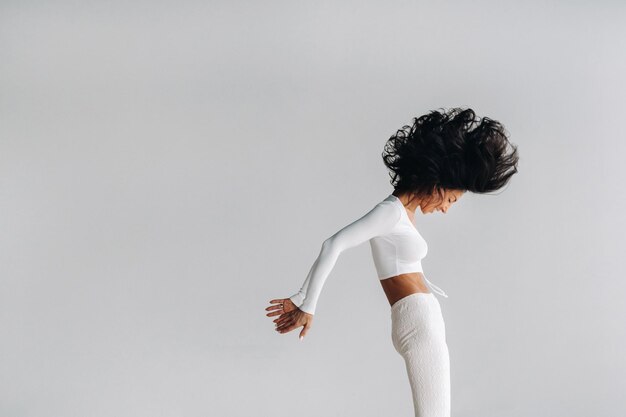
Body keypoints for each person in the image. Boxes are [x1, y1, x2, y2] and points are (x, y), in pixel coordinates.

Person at [264, 107, 519, 417]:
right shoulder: (391, 212)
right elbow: (334, 244)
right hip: (418, 323)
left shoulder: (402, 215)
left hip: (418, 320)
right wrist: (308, 304)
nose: (447, 209)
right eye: (451, 199)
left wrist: (305, 296)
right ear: (437, 184)